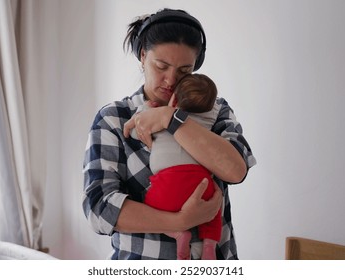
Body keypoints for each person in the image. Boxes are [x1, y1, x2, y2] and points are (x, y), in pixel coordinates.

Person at [82, 8, 256, 260]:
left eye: (184, 71)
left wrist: (170, 119)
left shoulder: (215, 111)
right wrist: (179, 222)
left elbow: (236, 170)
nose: (171, 80)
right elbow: (99, 209)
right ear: (142, 56)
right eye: (161, 66)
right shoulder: (113, 118)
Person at [132, 73, 221, 260]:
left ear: (174, 100)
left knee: (150, 211)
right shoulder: (208, 121)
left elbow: (136, 131)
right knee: (214, 209)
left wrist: (146, 109)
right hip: (202, 181)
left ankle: (178, 233)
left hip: (168, 183)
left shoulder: (159, 122)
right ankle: (209, 246)